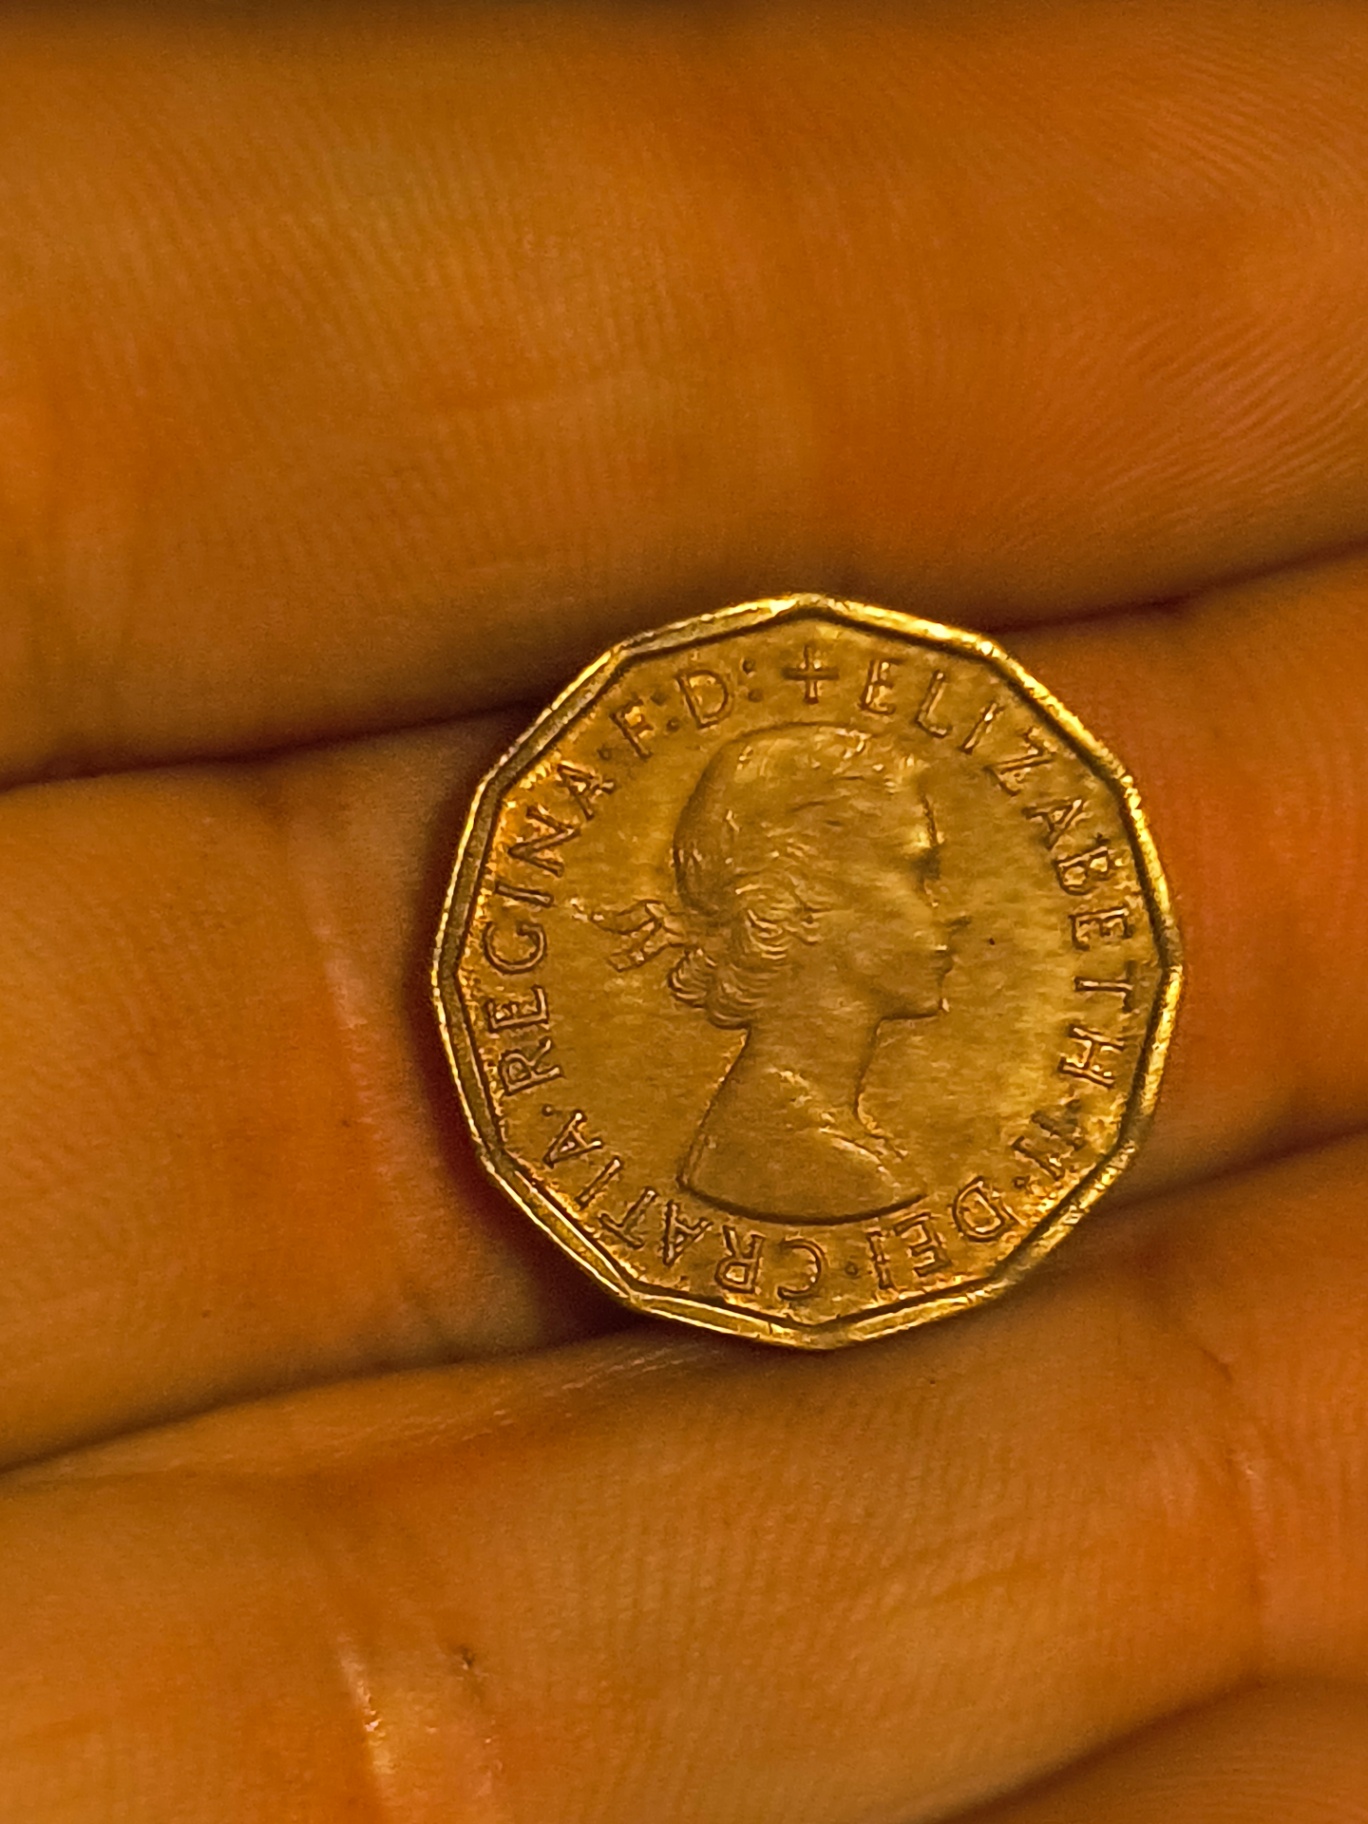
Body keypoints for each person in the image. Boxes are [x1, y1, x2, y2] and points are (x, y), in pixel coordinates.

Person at [4, 4, 1368, 1820]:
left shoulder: (859, 1151)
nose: (957, 902)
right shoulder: (778, 1161)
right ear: (792, 915)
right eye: (908, 865)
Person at [665, 723, 951, 1217]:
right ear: (802, 900)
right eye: (916, 874)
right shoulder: (831, 1166)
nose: (955, 914)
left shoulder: (798, 1135)